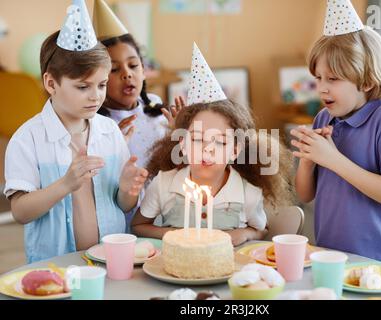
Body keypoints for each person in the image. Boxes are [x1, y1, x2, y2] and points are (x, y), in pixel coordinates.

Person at [3, 1, 148, 263]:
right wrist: (65, 184)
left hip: (110, 261)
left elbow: (123, 205)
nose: (96, 96)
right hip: (55, 265)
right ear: (51, 83)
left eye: (102, 84)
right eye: (83, 87)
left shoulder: (109, 133)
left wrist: (128, 190)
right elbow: (21, 212)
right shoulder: (28, 139)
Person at [131, 44, 293, 246]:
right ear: (182, 145)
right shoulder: (164, 185)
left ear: (235, 151)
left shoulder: (247, 193)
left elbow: (260, 230)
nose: (207, 149)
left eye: (220, 142)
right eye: (197, 139)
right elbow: (137, 226)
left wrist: (244, 234)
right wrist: (174, 234)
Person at [291, 0, 381, 265]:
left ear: (367, 80)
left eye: (333, 79)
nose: (322, 88)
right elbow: (305, 195)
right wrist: (308, 161)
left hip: (378, 263)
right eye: (319, 78)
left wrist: (333, 160)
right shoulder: (324, 118)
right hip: (329, 256)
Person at [93, 0, 184, 168]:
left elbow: (176, 162)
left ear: (143, 70)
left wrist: (178, 132)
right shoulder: (97, 123)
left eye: (133, 65)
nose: (127, 74)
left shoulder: (156, 108)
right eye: (114, 69)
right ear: (98, 79)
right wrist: (111, 146)